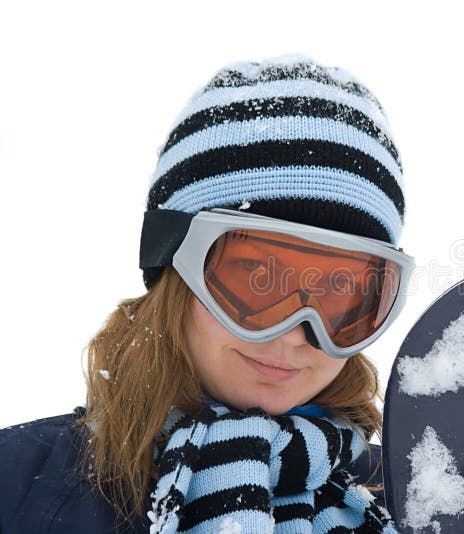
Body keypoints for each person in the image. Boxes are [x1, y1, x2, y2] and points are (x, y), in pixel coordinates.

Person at [0, 54, 413, 534]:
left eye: (340, 290)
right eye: (257, 276)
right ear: (173, 265)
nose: (297, 334)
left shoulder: (417, 496)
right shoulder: (18, 488)